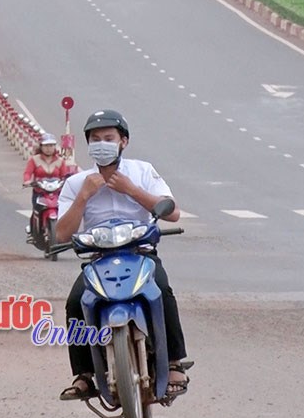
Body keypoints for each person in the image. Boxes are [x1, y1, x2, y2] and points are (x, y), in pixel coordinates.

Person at [55, 109, 191, 402]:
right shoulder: (77, 183)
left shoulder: (142, 171)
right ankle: (84, 375)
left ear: (123, 142)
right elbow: (62, 234)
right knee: (76, 302)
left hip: (140, 254)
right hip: (98, 260)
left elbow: (172, 211)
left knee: (163, 291)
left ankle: (174, 363)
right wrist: (83, 197)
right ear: (88, 145)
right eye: (95, 139)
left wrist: (132, 190)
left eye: (109, 138)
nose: (102, 143)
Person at [22, 133, 70, 207]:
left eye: (51, 146)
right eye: (46, 146)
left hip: (56, 192)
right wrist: (27, 181)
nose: (48, 148)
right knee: (38, 210)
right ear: (41, 146)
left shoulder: (60, 161)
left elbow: (64, 176)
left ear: (54, 146)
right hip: (40, 192)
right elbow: (27, 173)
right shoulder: (34, 159)